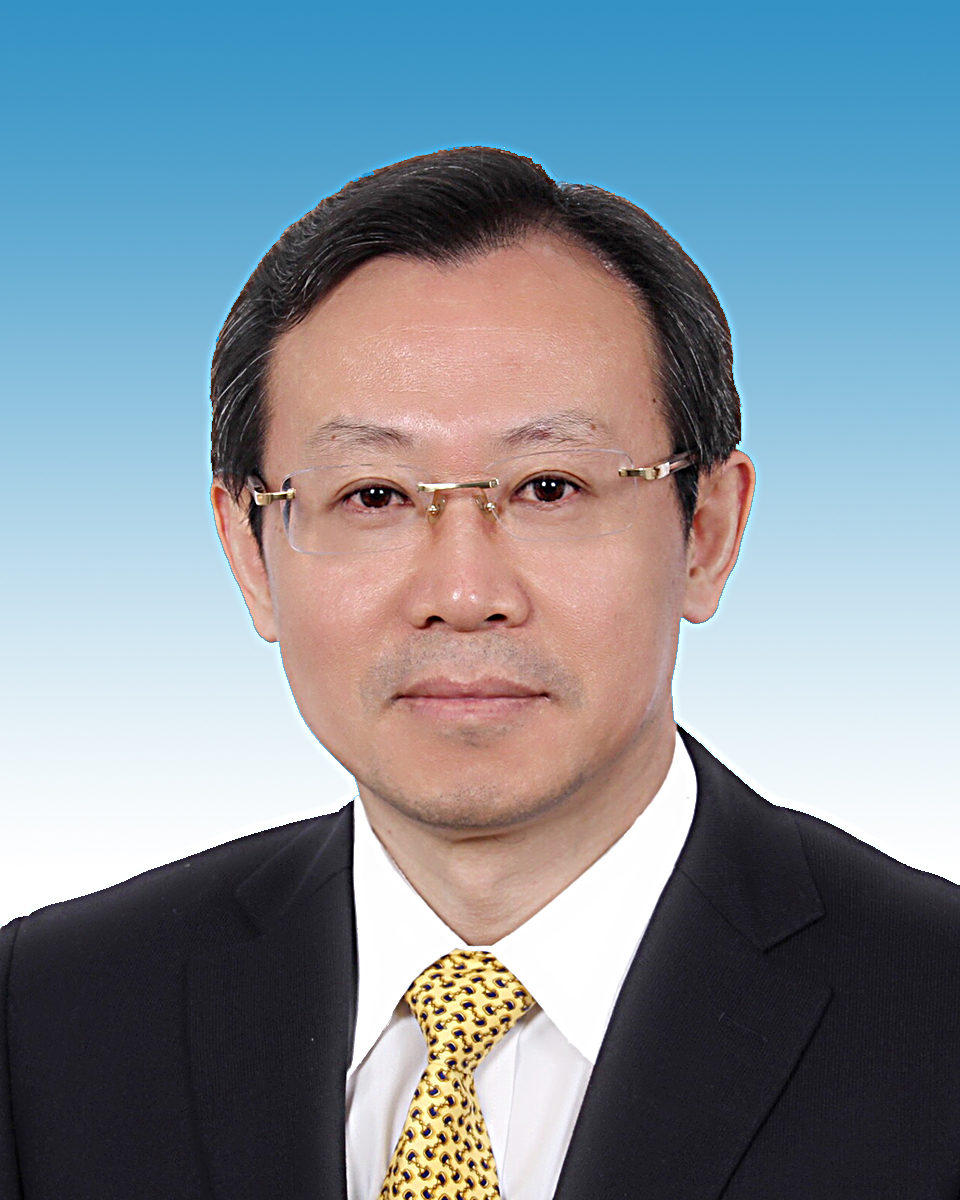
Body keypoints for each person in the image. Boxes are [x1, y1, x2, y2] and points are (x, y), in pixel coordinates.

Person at [2, 147, 958, 1200]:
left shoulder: (934, 1010)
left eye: (550, 487)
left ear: (708, 533)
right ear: (250, 553)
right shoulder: (46, 1016)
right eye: (372, 495)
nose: (463, 593)